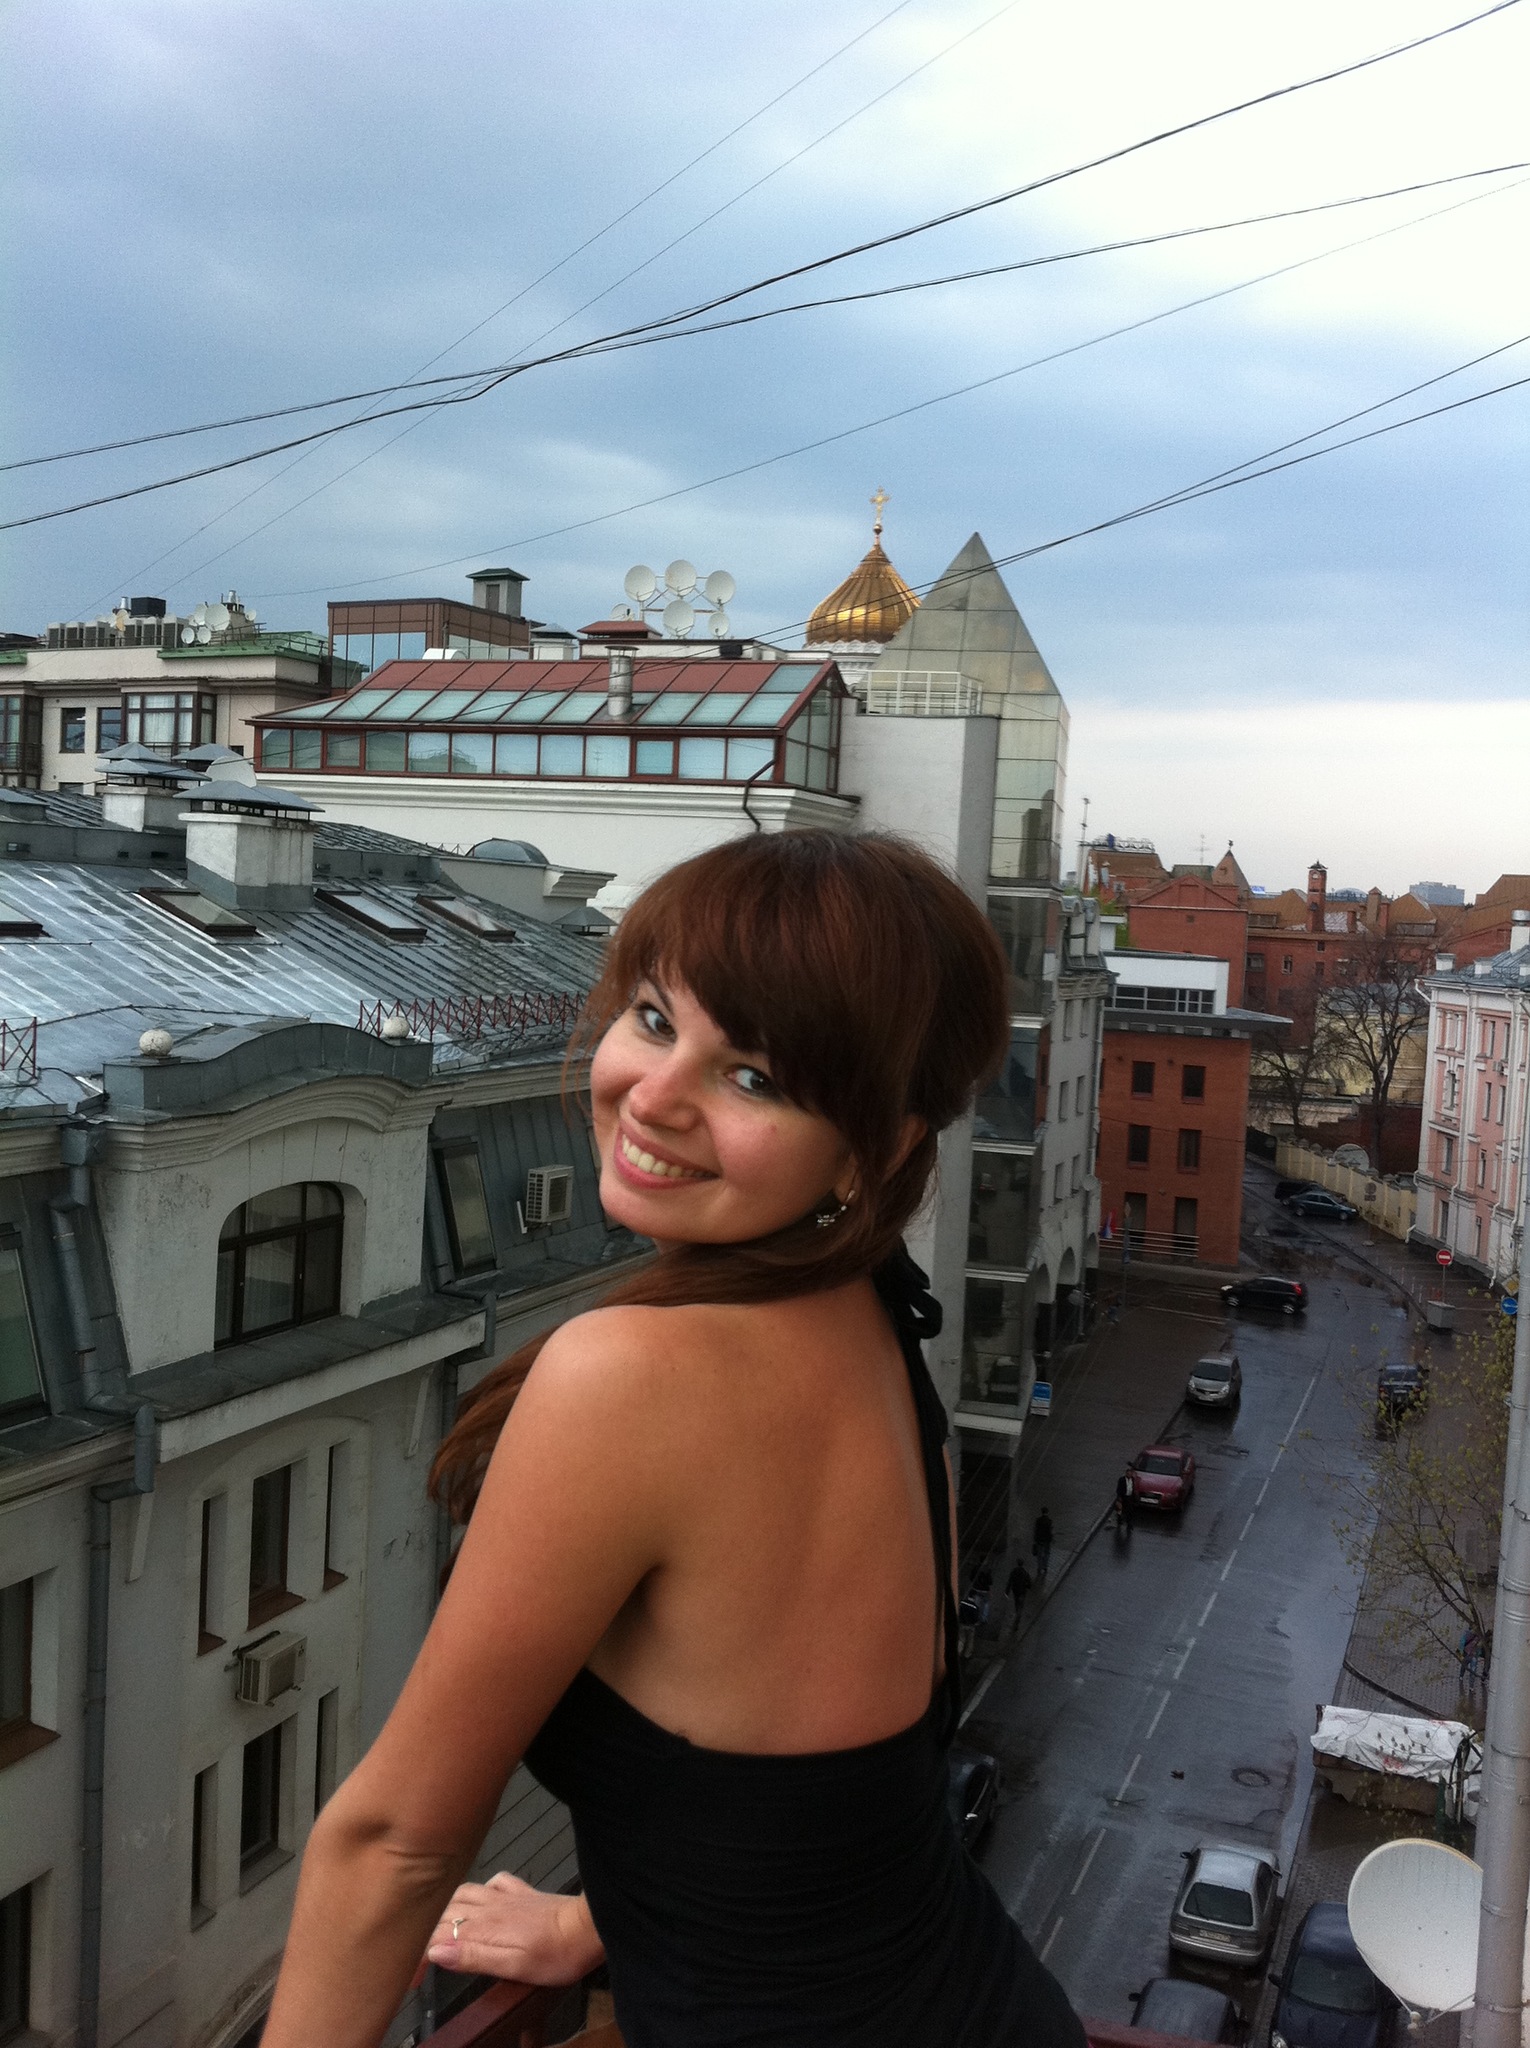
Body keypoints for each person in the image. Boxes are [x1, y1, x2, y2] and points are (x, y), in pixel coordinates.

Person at [260, 831, 1086, 2048]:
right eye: (654, 1018)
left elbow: (396, 1842)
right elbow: (824, 1795)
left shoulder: (636, 1375)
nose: (653, 1093)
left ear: (878, 1147)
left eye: (754, 1075)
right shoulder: (876, 1328)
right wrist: (598, 1921)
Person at [1004, 1556, 1031, 1628]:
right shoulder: (1025, 1573)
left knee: (1016, 1603)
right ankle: (1018, 1616)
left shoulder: (1013, 1572)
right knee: (1021, 1605)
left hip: (1015, 1591)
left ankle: (1017, 1614)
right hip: (1022, 1592)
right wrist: (1027, 1586)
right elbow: (1029, 1584)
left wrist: (1007, 1591)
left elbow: (1010, 1581)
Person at [1032, 1506, 1055, 1580]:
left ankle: (1039, 1567)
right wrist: (1051, 1539)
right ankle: (1045, 1567)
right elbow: (1050, 1532)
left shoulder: (1038, 1520)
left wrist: (1035, 1539)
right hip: (1047, 1541)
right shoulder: (1049, 1521)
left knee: (1039, 1554)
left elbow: (1035, 1530)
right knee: (1046, 1554)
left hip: (1039, 1540)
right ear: (1047, 1512)